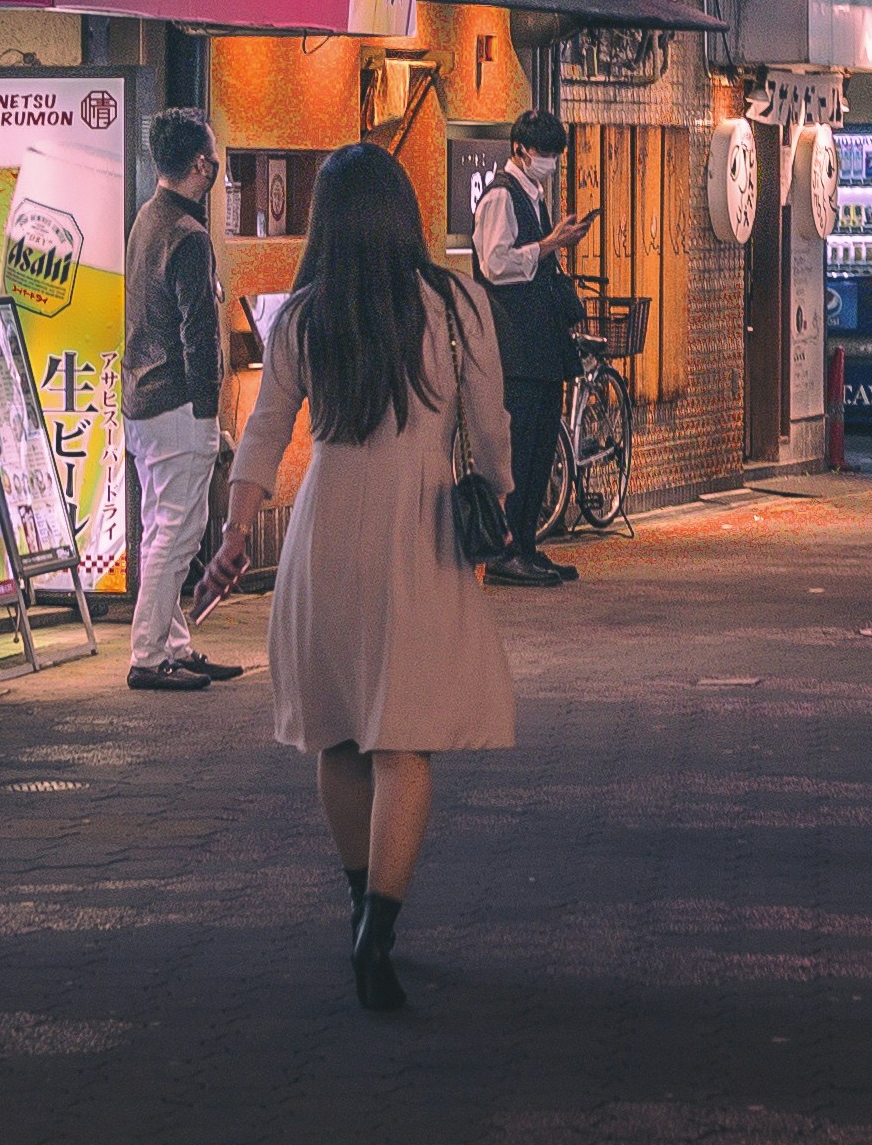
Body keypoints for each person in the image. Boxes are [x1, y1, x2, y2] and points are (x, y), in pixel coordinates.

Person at [206, 143, 517, 1012]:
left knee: (338, 731)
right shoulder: (455, 305)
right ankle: (377, 931)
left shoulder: (304, 314)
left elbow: (264, 431)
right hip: (417, 526)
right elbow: (489, 429)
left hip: (325, 528)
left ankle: (354, 908)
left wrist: (235, 530)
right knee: (402, 735)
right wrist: (499, 494)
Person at [122, 106, 242, 694]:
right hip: (178, 405)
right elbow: (199, 334)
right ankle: (149, 655)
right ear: (201, 163)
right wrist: (209, 416)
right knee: (178, 533)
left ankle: (174, 645)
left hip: (142, 402)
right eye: (214, 156)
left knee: (157, 529)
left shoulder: (147, 219)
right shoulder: (189, 237)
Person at [470, 109, 591, 587]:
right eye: (546, 153)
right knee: (519, 450)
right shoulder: (501, 196)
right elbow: (495, 264)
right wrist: (549, 243)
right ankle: (505, 553)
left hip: (539, 342)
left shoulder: (533, 194)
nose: (552, 162)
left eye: (557, 154)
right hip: (515, 342)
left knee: (541, 447)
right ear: (520, 149)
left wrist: (554, 240)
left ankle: (527, 546)